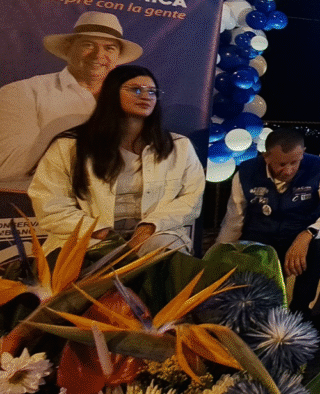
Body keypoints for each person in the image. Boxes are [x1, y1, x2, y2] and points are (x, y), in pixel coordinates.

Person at [29, 65, 202, 256]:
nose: (146, 96)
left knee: (162, 251)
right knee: (97, 257)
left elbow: (191, 199)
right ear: (112, 93)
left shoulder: (179, 146)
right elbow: (51, 205)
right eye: (136, 90)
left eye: (152, 92)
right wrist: (101, 233)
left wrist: (150, 227)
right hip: (90, 237)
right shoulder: (69, 145)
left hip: (156, 234)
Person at [216, 128, 320, 329]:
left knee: (318, 244)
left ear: (303, 153)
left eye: (294, 163)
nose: (288, 170)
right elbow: (233, 220)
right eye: (281, 164)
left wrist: (308, 234)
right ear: (266, 157)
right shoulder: (246, 172)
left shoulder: (319, 168)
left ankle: (300, 312)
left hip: (300, 232)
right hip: (260, 236)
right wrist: (220, 255)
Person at [0, 11, 143, 184]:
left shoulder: (132, 101)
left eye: (109, 48)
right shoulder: (23, 92)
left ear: (118, 56)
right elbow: (6, 164)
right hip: (40, 199)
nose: (98, 55)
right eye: (88, 45)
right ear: (69, 48)